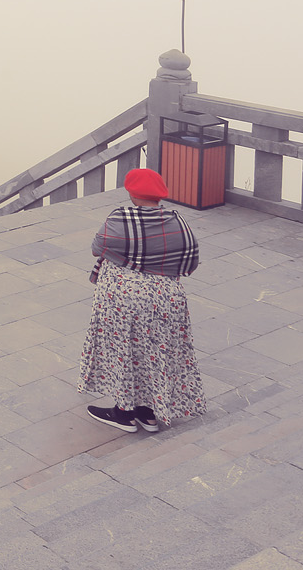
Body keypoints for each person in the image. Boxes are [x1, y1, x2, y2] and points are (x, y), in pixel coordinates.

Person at [78, 167, 206, 432]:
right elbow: (190, 263)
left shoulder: (120, 218)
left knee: (124, 351)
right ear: (160, 195)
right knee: (155, 352)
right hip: (167, 299)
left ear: (132, 193)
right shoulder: (178, 222)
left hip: (125, 299)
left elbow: (97, 248)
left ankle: (124, 414)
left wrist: (129, 259)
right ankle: (148, 413)